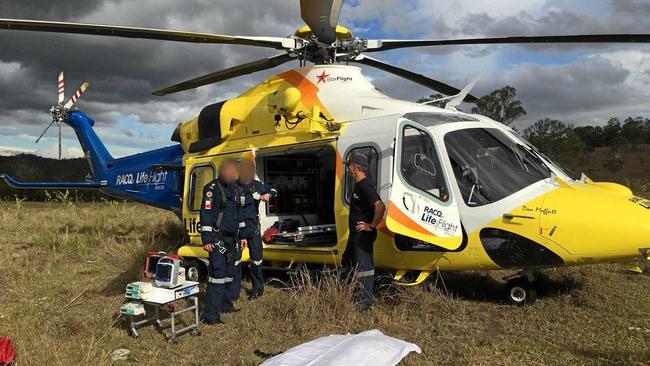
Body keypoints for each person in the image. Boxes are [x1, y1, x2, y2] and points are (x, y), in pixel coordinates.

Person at [200, 159, 240, 325]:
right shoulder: (212, 189)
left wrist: (242, 236)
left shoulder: (235, 188)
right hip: (218, 239)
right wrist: (207, 239)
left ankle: (225, 304)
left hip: (232, 239)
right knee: (217, 276)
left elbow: (239, 214)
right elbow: (206, 215)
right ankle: (210, 316)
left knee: (229, 275)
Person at [342, 154, 385, 309]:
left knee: (364, 268)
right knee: (347, 261)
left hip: (363, 235)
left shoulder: (364, 185)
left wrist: (371, 226)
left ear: (355, 168)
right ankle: (347, 294)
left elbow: (380, 206)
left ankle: (364, 303)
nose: (347, 169)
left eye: (349, 166)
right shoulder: (358, 185)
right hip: (355, 235)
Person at [234, 159, 277, 300]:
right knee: (234, 261)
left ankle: (257, 289)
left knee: (256, 261)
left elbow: (274, 190)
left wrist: (268, 195)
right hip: (238, 230)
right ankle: (233, 290)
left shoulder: (257, 185)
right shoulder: (232, 187)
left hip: (253, 230)